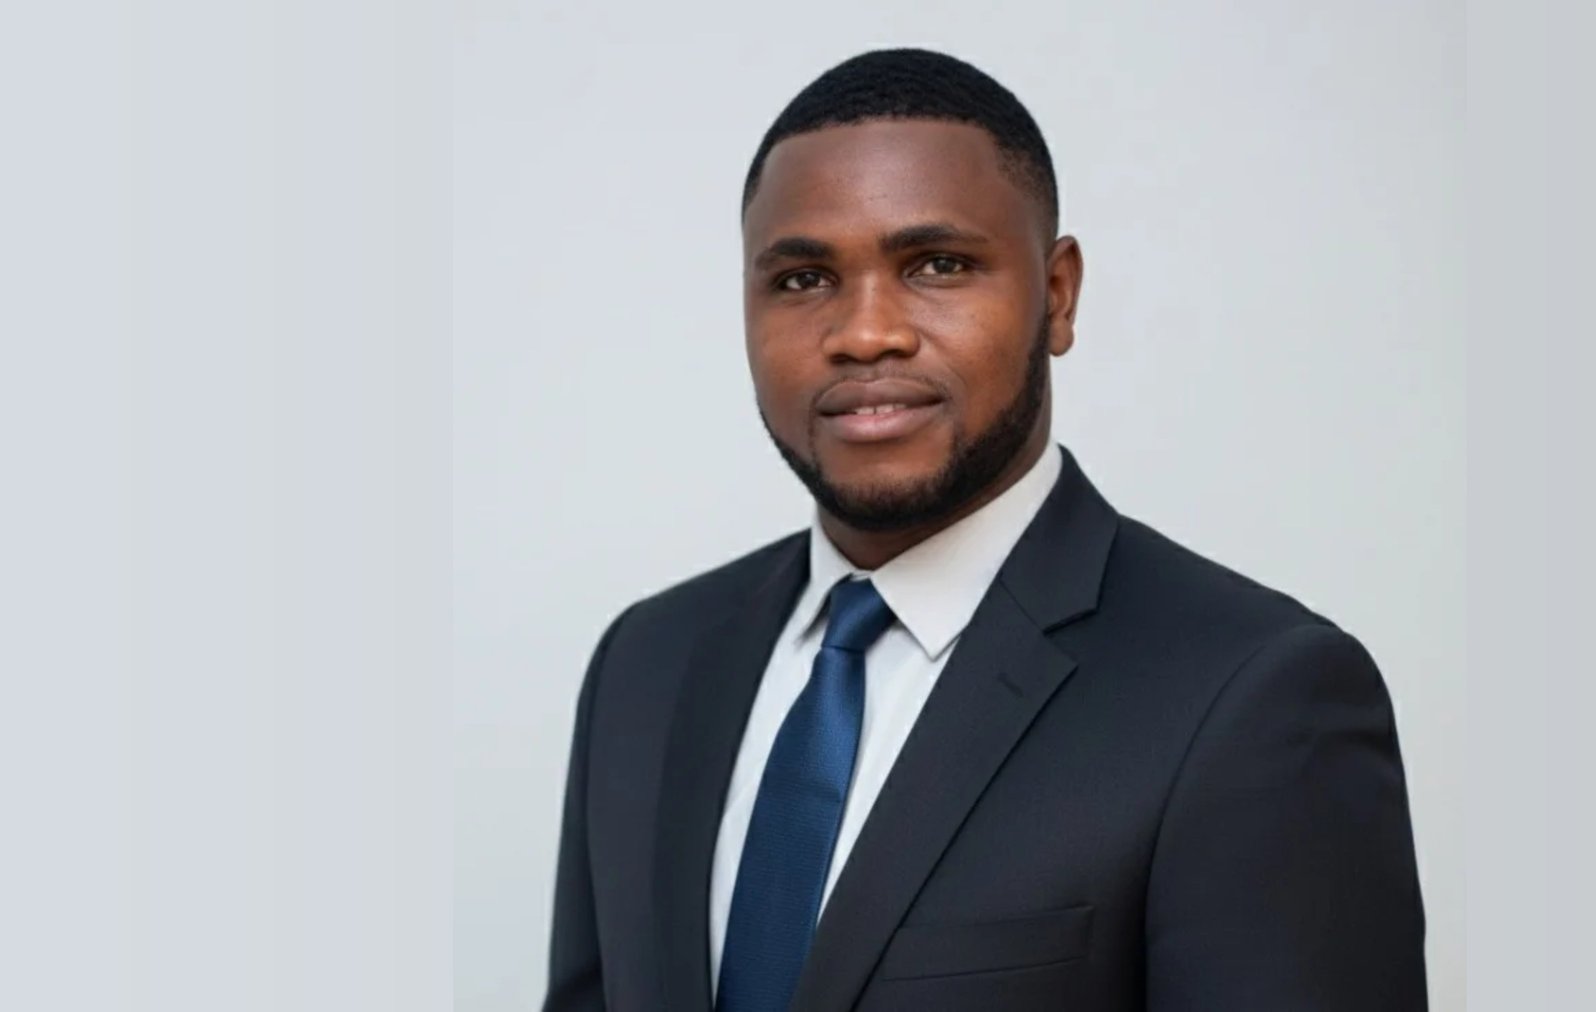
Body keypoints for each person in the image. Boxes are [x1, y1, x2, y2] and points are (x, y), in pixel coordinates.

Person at [541, 47, 1425, 1012]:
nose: (864, 331)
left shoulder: (1253, 696)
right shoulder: (648, 664)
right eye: (802, 279)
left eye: (937, 265)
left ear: (1057, 295)